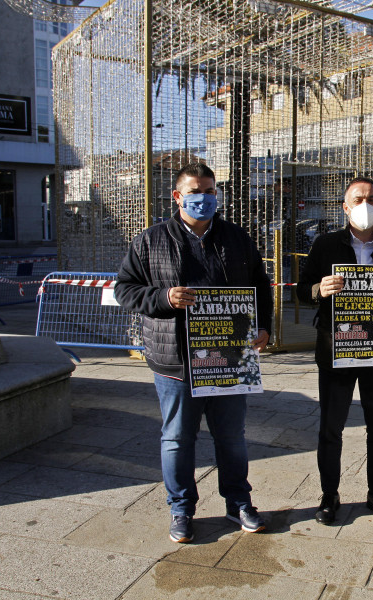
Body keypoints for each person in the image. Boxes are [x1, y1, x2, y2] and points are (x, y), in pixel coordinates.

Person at [115, 162, 273, 544]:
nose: (203, 197)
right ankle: (181, 509)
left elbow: (259, 285)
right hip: (175, 362)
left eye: (210, 190)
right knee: (177, 439)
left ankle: (238, 503)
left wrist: (264, 326)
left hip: (230, 359)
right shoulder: (150, 241)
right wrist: (163, 297)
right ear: (178, 196)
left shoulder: (237, 238)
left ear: (217, 195)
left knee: (232, 438)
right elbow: (125, 289)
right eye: (195, 191)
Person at [297, 176, 373, 526]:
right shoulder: (325, 244)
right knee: (331, 428)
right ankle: (329, 495)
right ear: (345, 206)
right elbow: (302, 290)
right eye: (358, 198)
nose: (366, 203)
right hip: (337, 349)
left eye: (372, 198)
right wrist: (319, 289)